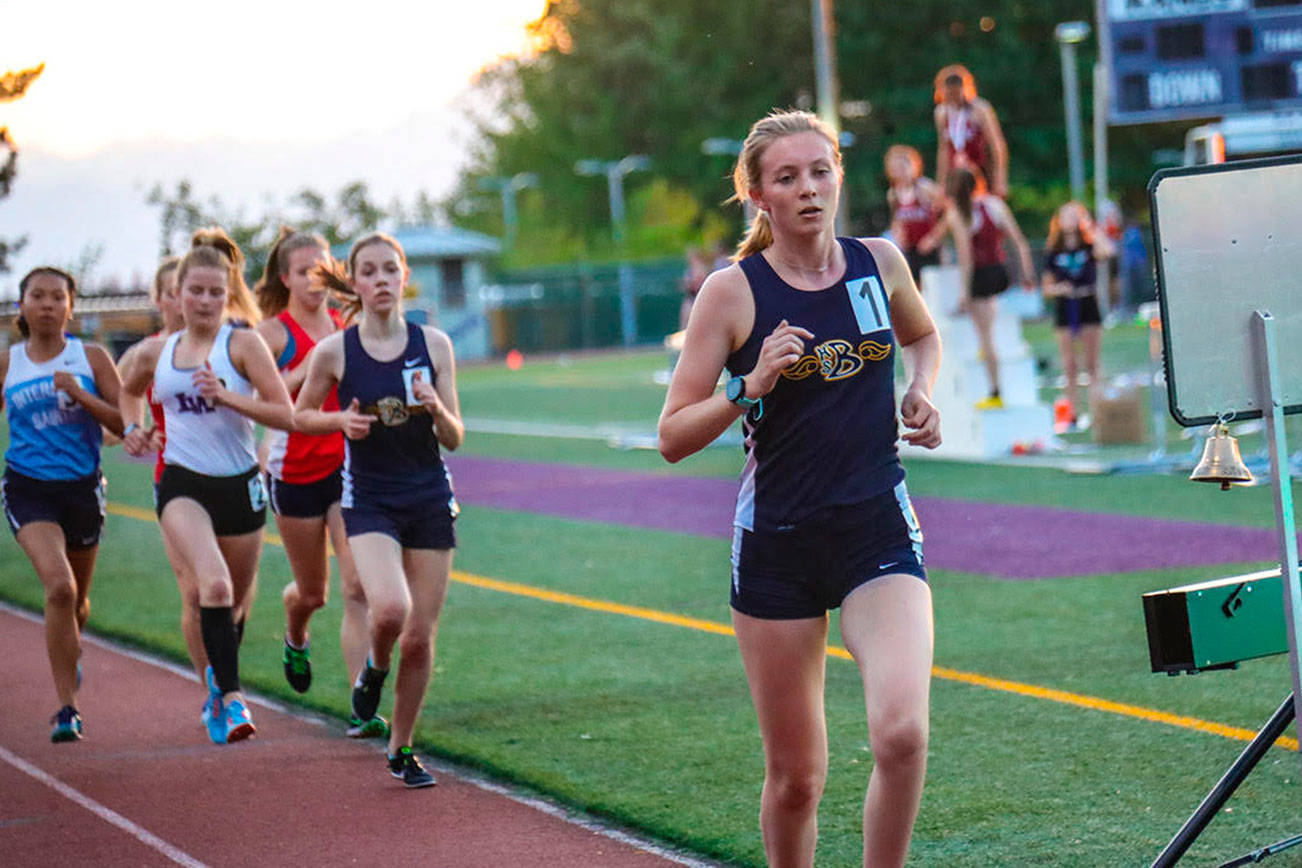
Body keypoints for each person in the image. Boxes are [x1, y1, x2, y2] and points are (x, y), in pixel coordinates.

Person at [658, 110, 941, 868]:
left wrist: (921, 389)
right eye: (787, 178)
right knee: (796, 779)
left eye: (820, 172)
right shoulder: (732, 292)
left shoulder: (878, 262)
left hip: (877, 527)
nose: (809, 189)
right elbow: (673, 435)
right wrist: (751, 386)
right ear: (759, 196)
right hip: (778, 543)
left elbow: (924, 335)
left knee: (903, 732)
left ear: (839, 177)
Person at [295, 232, 464, 788]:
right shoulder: (336, 351)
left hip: (429, 497)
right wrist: (339, 422)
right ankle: (372, 668)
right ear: (355, 282)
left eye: (390, 270)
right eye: (368, 272)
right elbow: (300, 416)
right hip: (369, 499)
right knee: (389, 610)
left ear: (404, 275)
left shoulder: (434, 344)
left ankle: (402, 747)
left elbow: (456, 437)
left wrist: (436, 407)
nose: (381, 280)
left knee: (421, 634)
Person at [119, 228, 293, 745]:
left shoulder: (242, 344)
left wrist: (228, 397)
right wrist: (133, 429)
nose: (205, 300)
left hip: (239, 486)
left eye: (216, 292)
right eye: (195, 290)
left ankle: (220, 681)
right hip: (181, 485)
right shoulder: (158, 352)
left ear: (228, 294)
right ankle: (231, 700)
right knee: (210, 588)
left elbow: (284, 412)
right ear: (177, 292)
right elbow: (129, 390)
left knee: (235, 604)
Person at [253, 227, 381, 737]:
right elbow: (263, 401)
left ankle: (360, 703)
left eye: (323, 268)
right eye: (304, 270)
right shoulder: (272, 335)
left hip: (347, 468)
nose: (315, 279)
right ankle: (295, 633)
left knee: (357, 586)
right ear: (285, 278)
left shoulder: (345, 322)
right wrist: (305, 368)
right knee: (313, 593)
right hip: (295, 472)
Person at [1, 267, 123, 741]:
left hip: (82, 489)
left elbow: (122, 420)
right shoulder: (10, 362)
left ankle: (71, 642)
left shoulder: (90, 357)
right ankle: (67, 708)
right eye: (38, 296)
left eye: (58, 297)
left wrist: (79, 394)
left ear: (71, 307)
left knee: (77, 605)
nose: (48, 304)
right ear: (22, 306)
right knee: (60, 588)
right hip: (28, 488)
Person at [945, 165, 1033, 409]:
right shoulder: (994, 205)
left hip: (981, 274)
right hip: (999, 270)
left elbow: (966, 257)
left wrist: (965, 293)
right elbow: (1019, 242)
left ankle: (995, 392)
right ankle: (988, 356)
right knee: (988, 323)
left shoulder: (959, 213)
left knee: (985, 337)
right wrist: (1027, 274)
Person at [1041, 201, 1116, 425]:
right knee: (1069, 364)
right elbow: (1046, 287)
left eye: (1074, 216)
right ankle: (1072, 412)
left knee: (1091, 363)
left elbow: (1109, 251)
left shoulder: (1088, 244)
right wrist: (1059, 289)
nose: (1070, 220)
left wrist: (1091, 228)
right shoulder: (1054, 250)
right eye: (1066, 216)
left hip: (1087, 302)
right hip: (1066, 307)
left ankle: (1097, 411)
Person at [884, 144, 967, 287]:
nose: (901, 172)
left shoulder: (924, 188)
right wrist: (898, 235)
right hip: (910, 249)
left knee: (935, 287)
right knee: (914, 287)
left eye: (904, 166)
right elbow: (896, 219)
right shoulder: (893, 194)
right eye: (896, 168)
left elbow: (950, 211)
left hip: (931, 249)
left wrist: (934, 237)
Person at [934, 64, 1009, 199]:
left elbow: (996, 144)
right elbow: (943, 150)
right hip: (956, 174)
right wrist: (941, 183)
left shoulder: (980, 109)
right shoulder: (941, 113)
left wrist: (1000, 179)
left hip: (980, 171)